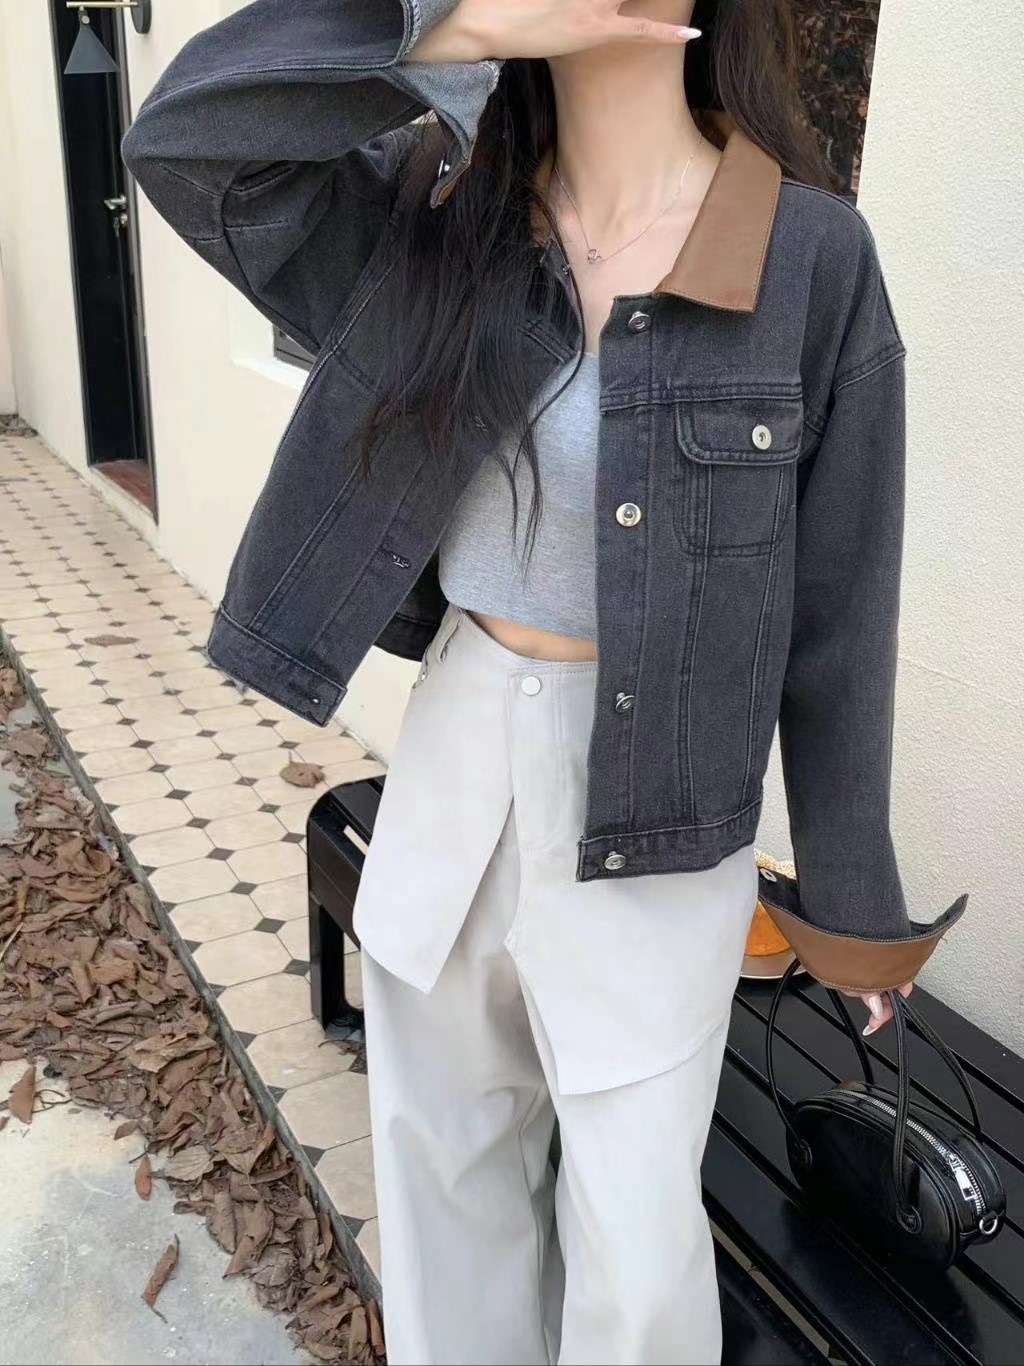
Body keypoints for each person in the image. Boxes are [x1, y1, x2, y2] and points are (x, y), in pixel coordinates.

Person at [122, 2, 968, 1361]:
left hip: (662, 808)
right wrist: (446, 26)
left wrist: (853, 896)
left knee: (634, 1265)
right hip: (457, 758)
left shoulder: (810, 257)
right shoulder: (438, 212)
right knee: (445, 1200)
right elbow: (188, 139)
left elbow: (838, 610)